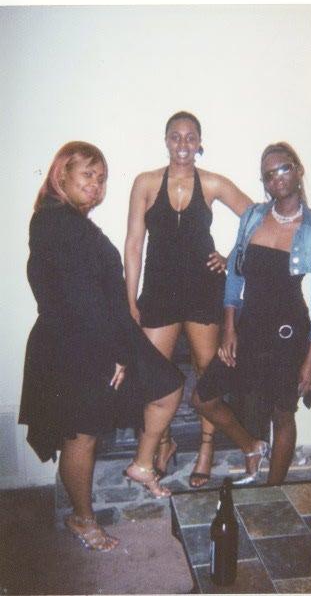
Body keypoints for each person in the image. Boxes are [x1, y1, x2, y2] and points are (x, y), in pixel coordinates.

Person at [19, 141, 183, 552]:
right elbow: (81, 298)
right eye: (87, 175)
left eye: (102, 178)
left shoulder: (66, 221)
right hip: (77, 345)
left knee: (167, 385)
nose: (96, 185)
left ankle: (142, 464)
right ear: (61, 175)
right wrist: (117, 353)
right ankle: (82, 518)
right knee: (82, 436)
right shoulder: (58, 223)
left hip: (98, 336)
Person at [192, 142, 311, 486]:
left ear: (298, 170)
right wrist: (230, 328)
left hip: (289, 334)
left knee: (282, 415)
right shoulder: (253, 217)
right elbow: (235, 274)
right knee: (202, 397)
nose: (277, 179)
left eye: (283, 169)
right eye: (268, 175)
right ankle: (251, 446)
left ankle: (273, 491)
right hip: (249, 328)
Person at [124, 111, 252, 488]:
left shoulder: (211, 183)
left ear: (199, 143)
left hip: (203, 289)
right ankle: (164, 443)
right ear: (166, 141)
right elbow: (134, 244)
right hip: (159, 291)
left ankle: (206, 449)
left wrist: (233, 257)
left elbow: (257, 218)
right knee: (155, 377)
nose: (183, 143)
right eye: (176, 136)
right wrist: (130, 301)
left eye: (190, 137)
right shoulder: (146, 182)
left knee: (205, 373)